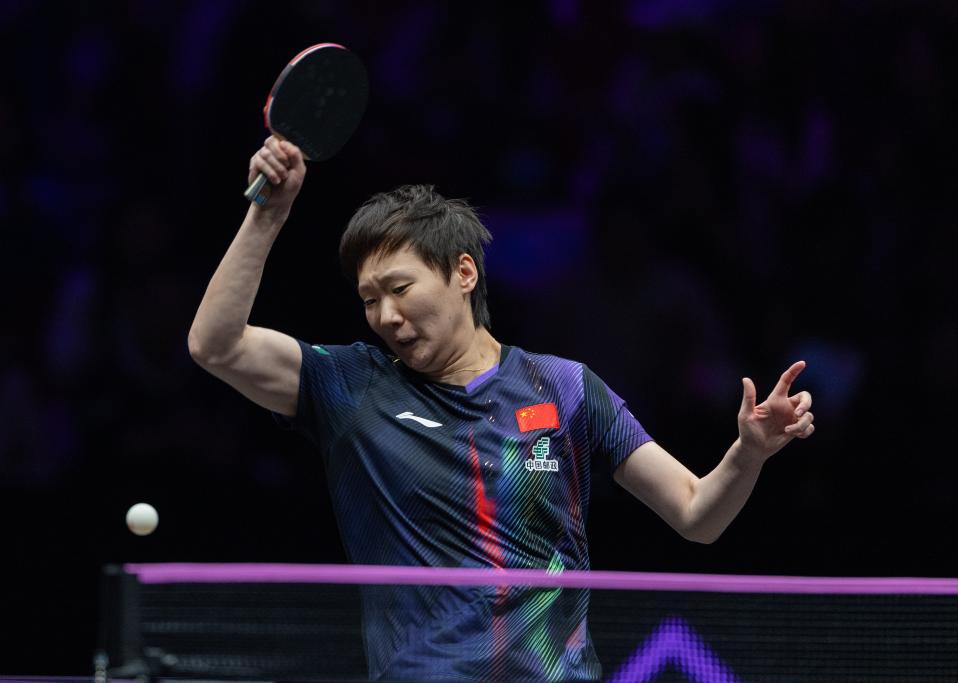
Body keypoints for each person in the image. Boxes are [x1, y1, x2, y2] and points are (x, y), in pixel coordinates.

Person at [188, 137, 815, 682]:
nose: (385, 316)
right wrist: (268, 214)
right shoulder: (351, 387)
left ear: (463, 273)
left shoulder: (565, 388)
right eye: (369, 300)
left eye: (400, 289)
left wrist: (748, 453)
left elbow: (697, 514)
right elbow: (215, 345)